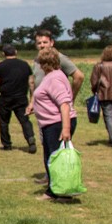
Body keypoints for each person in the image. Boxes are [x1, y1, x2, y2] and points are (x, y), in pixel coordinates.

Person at [33, 47, 77, 199]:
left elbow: (64, 104)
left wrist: (65, 129)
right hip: (51, 123)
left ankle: (58, 192)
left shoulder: (54, 78)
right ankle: (56, 190)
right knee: (51, 157)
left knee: (55, 158)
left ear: (43, 63)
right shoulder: (53, 75)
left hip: (56, 124)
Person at [0, 44, 36, 153]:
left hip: (5, 98)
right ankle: (30, 139)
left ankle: (7, 145)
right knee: (24, 121)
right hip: (21, 98)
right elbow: (31, 83)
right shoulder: (25, 65)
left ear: (3, 54)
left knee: (4, 123)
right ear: (16, 52)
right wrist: (32, 100)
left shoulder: (0, 66)